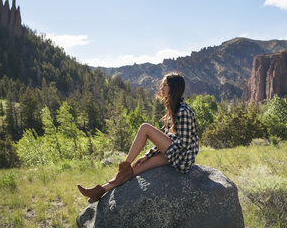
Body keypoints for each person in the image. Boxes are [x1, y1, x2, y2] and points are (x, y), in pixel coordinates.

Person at [77, 72, 199, 203]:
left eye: (165, 85)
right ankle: (100, 190)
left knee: (145, 128)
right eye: (162, 85)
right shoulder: (172, 111)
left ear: (174, 88)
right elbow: (168, 139)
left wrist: (157, 152)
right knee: (134, 169)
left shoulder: (183, 111)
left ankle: (125, 164)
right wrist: (148, 155)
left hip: (181, 159)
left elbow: (184, 144)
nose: (161, 88)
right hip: (172, 155)